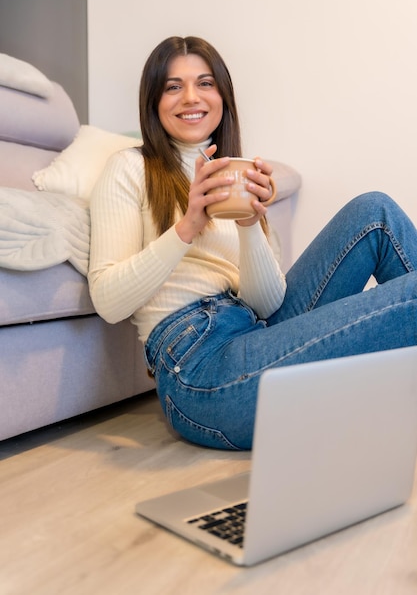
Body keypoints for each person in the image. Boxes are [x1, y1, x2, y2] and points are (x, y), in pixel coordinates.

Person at [88, 36, 417, 451]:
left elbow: (266, 305)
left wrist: (249, 224)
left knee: (375, 212)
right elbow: (109, 301)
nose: (191, 97)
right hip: (201, 371)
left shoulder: (235, 177)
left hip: (254, 331)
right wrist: (188, 226)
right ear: (154, 101)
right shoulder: (129, 168)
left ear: (222, 96)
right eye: (173, 86)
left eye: (205, 83)